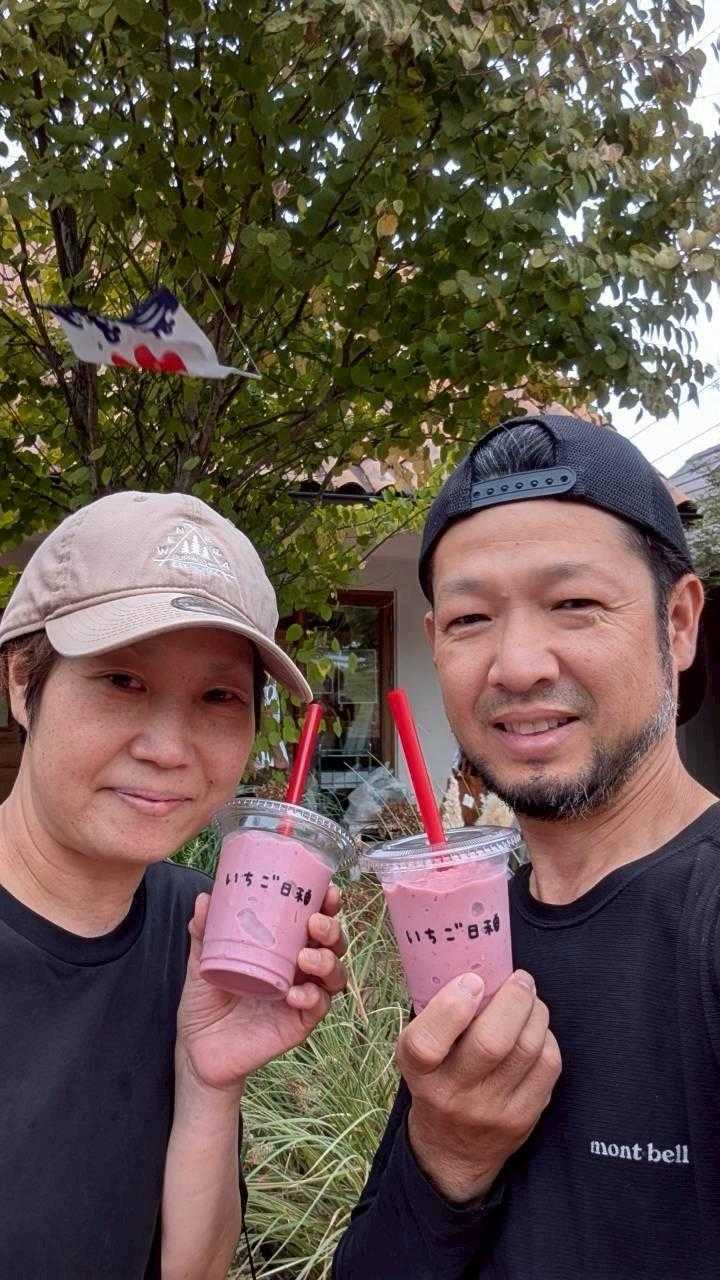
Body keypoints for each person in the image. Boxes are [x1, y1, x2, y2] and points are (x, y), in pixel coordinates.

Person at [333, 413, 720, 1279]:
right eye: (471, 618)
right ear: (436, 646)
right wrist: (446, 1157)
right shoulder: (470, 933)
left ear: (678, 622)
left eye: (574, 604)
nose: (516, 666)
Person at [0, 490, 347, 1280]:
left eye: (218, 697)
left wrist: (208, 1081)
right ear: (23, 681)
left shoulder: (199, 931)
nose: (168, 748)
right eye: (122, 680)